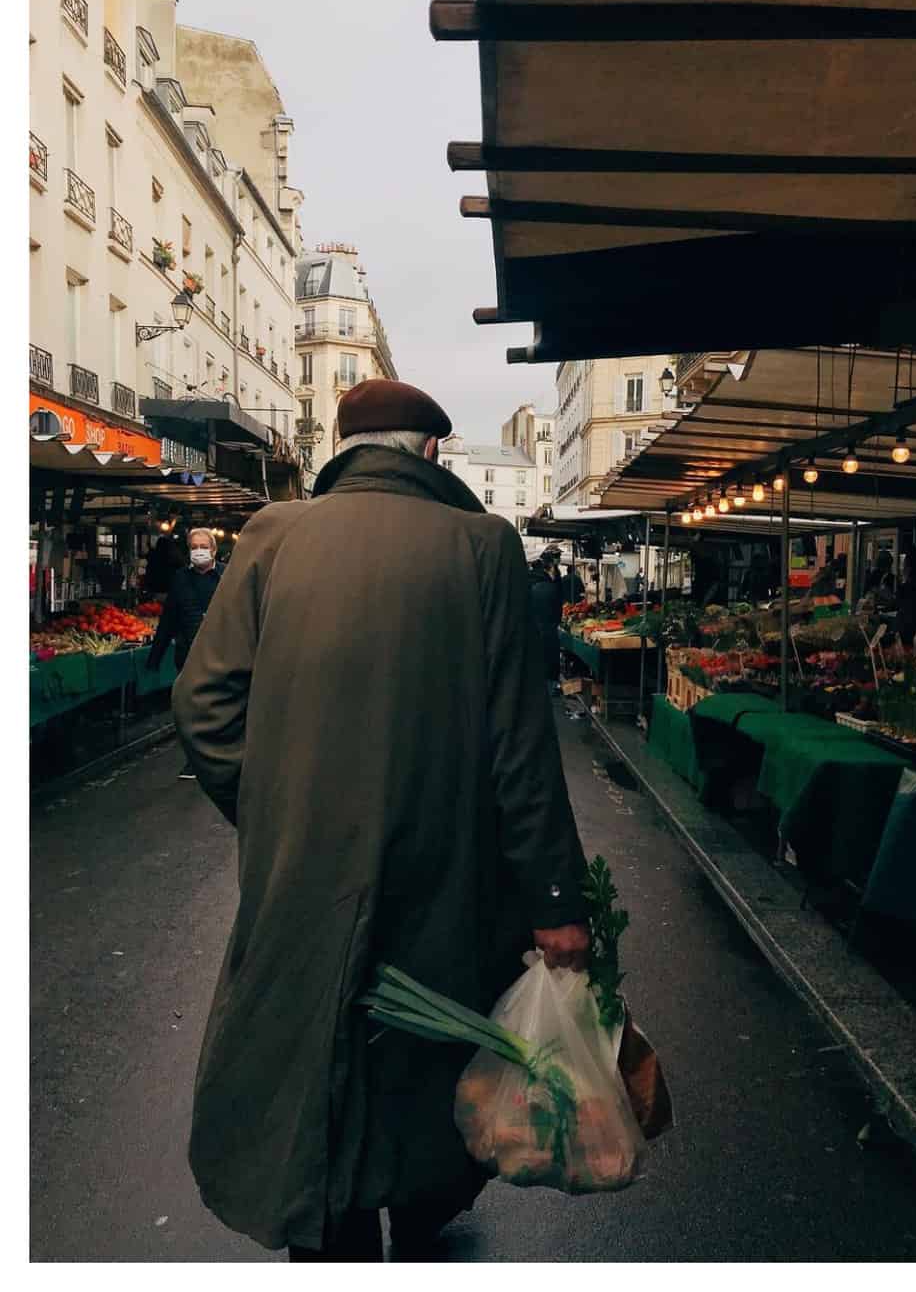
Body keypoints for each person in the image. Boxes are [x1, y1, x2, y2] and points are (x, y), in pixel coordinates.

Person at [172, 379, 590, 1262]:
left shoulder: (273, 534)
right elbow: (521, 746)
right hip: (444, 870)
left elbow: (204, 702)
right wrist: (557, 897)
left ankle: (333, 1239)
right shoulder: (484, 544)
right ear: (429, 452)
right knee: (422, 1065)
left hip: (302, 877)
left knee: (318, 1053)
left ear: (345, 448)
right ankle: (413, 1217)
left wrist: (274, 808)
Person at [149, 527, 225, 781]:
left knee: (219, 705)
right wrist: (155, 656)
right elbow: (169, 619)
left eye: (204, 547)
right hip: (188, 655)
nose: (199, 551)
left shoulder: (227, 576)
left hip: (221, 655)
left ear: (213, 550)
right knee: (190, 709)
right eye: (194, 547)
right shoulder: (180, 579)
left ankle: (221, 755)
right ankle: (194, 760)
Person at [528, 549, 564, 693]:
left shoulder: (529, 581)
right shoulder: (551, 587)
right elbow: (557, 611)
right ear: (549, 568)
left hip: (533, 629)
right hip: (548, 629)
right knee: (549, 660)